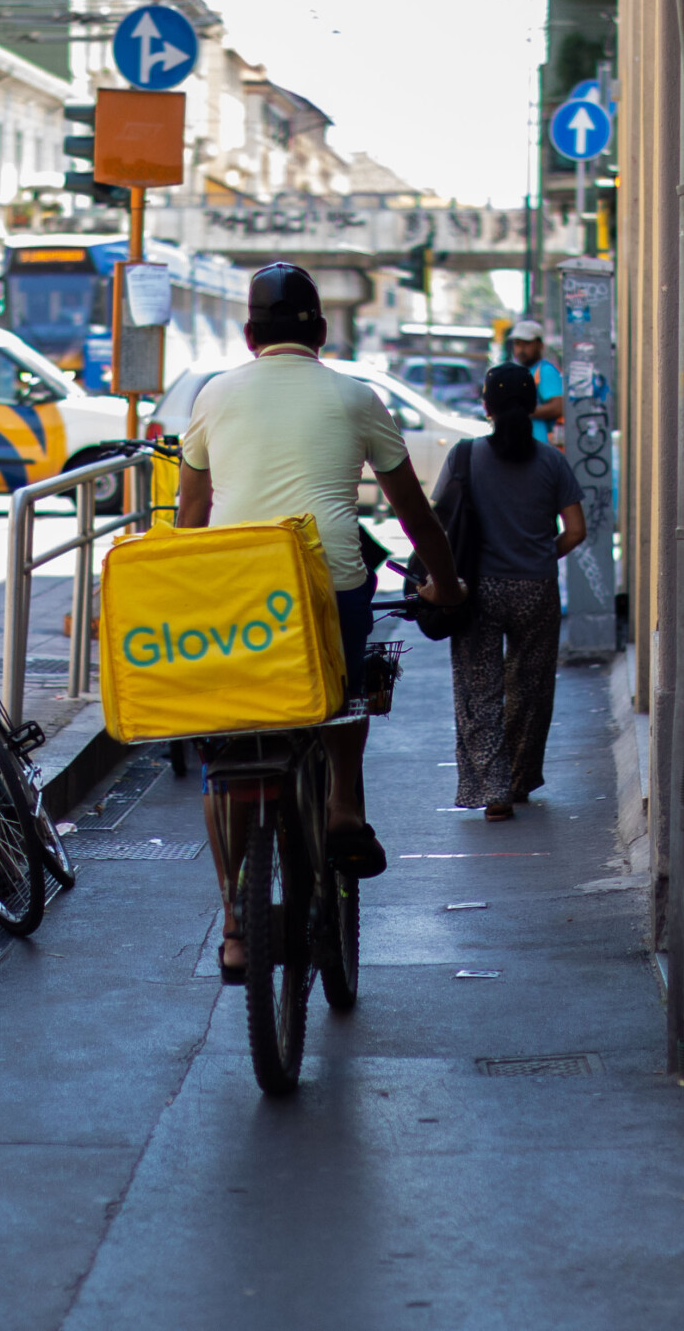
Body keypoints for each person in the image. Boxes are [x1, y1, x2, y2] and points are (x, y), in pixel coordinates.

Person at [177, 262, 464, 981]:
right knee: (345, 682)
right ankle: (341, 802)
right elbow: (413, 511)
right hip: (330, 582)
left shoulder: (213, 396)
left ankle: (237, 925)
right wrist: (446, 582)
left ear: (249, 336)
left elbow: (188, 517)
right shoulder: (355, 394)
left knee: (232, 751)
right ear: (323, 333)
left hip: (241, 593)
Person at [435, 364, 587, 818]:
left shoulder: (464, 456)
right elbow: (576, 531)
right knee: (530, 688)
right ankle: (519, 779)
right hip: (536, 590)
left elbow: (438, 521)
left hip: (477, 591)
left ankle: (494, 790)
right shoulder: (553, 462)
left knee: (478, 689)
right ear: (530, 406)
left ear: (486, 407)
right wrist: (540, 556)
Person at [509, 319, 568, 445]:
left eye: (527, 344)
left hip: (542, 450)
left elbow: (558, 407)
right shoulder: (524, 371)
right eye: (517, 344)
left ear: (540, 345)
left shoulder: (545, 371)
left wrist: (517, 411)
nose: (521, 349)